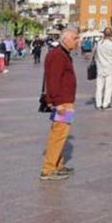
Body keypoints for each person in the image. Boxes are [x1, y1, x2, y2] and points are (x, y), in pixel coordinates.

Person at [41, 26, 80, 181]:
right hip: (62, 102)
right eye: (75, 38)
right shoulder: (58, 55)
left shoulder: (62, 54)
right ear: (65, 39)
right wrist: (56, 102)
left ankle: (58, 165)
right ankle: (49, 169)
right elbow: (53, 80)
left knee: (61, 134)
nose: (78, 41)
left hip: (64, 101)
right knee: (58, 135)